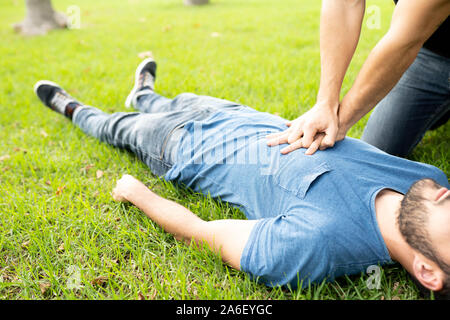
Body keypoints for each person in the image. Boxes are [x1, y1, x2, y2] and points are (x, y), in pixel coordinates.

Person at [34, 58, 450, 299]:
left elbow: (202, 232)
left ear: (429, 272)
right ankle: (143, 93)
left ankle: (72, 108)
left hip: (182, 148)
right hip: (238, 115)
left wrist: (137, 194)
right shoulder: (428, 179)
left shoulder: (315, 247)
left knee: (115, 127)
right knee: (169, 100)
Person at [266, 0, 450, 157]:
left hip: (412, 42)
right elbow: (344, 4)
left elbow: (404, 42)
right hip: (431, 55)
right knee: (376, 146)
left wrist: (340, 123)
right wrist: (325, 103)